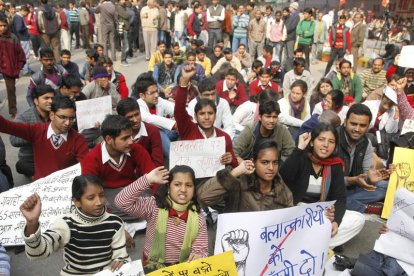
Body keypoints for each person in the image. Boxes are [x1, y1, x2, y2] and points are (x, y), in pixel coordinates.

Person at [20, 175, 130, 275]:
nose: (99, 202)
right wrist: (32, 223)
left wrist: (121, 261)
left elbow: (121, 256)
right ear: (76, 201)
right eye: (91, 198)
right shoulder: (66, 224)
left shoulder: (115, 222)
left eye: (101, 195)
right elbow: (38, 254)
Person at [280, 123, 365, 247]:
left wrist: (336, 221)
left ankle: (313, 245)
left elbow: (340, 197)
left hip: (321, 213)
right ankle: (315, 244)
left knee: (358, 219)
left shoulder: (335, 165)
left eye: (331, 141)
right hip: (297, 212)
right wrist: (299, 149)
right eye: (321, 139)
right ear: (312, 142)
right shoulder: (301, 158)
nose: (326, 145)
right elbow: (284, 177)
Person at [115, 165, 208, 272]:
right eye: (177, 184)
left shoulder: (198, 216)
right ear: (168, 187)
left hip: (182, 268)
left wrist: (198, 255)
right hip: (151, 265)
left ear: (194, 188)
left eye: (189, 185)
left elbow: (201, 248)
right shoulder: (153, 206)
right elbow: (121, 201)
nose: (183, 190)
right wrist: (147, 179)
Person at [0, 96, 88, 180]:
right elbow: (7, 126)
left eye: (71, 118)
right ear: (52, 115)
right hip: (40, 186)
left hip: (66, 187)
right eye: (63, 117)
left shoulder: (79, 139)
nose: (68, 123)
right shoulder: (37, 130)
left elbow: (85, 167)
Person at [198, 139, 293, 212]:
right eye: (265, 162)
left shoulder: (284, 194)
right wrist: (235, 172)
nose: (271, 168)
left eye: (275, 163)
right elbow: (204, 197)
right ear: (253, 161)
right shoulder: (239, 183)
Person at [174, 65, 238, 168]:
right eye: (202, 114)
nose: (207, 117)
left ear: (215, 114)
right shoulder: (189, 130)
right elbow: (179, 112)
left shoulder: (224, 138)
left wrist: (229, 159)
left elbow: (234, 164)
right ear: (195, 116)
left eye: (210, 113)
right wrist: (184, 82)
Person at [337, 104, 394, 214]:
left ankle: (354, 203)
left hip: (353, 187)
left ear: (368, 127)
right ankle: (366, 208)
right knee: (341, 200)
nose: (357, 129)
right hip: (333, 188)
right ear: (345, 122)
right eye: (353, 124)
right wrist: (353, 180)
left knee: (387, 186)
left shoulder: (365, 142)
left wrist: (370, 178)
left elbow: (365, 176)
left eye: (362, 125)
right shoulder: (333, 138)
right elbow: (326, 181)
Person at [10, 85, 54, 179]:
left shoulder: (57, 113)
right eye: (46, 98)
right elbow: (13, 140)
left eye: (52, 98)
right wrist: (35, 134)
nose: (50, 101)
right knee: (21, 165)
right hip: (31, 158)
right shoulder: (24, 117)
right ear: (36, 101)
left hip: (52, 155)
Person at [133, 72, 176, 159]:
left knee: (183, 126)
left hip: (164, 133)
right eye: (152, 93)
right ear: (142, 95)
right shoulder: (137, 105)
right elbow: (149, 118)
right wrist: (174, 124)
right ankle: (175, 159)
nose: (156, 95)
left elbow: (174, 109)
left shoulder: (159, 100)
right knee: (158, 132)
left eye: (157, 91)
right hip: (145, 138)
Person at [116, 98, 163, 167]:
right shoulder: (117, 134)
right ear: (121, 118)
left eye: (137, 114)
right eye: (130, 117)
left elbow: (158, 163)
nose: (135, 120)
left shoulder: (152, 131)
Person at [0, 15, 25, 118]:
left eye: (4, 25)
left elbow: (21, 54)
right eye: (0, 26)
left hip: (9, 68)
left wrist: (18, 67)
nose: (2, 28)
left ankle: (13, 110)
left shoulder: (13, 37)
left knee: (11, 90)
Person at [12, 5, 32, 76]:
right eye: (26, 13)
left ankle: (27, 68)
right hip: (22, 38)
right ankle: (25, 70)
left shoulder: (17, 17)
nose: (26, 15)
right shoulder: (18, 18)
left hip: (21, 38)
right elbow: (19, 29)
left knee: (25, 54)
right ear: (23, 11)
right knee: (25, 55)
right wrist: (26, 27)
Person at [282, 3, 300, 71]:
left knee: (290, 55)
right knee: (285, 55)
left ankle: (291, 68)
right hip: (285, 37)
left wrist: (284, 31)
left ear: (294, 8)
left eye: (290, 7)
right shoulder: (286, 16)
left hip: (291, 37)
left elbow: (293, 27)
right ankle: (285, 68)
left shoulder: (296, 16)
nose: (289, 8)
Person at [117, 0, 131, 66]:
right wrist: (128, 13)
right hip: (123, 28)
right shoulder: (119, 7)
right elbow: (126, 16)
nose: (124, 1)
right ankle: (123, 60)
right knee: (126, 46)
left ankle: (124, 59)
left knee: (125, 45)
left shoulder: (124, 7)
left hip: (126, 28)